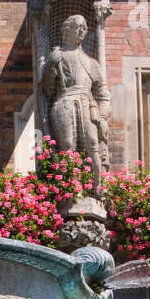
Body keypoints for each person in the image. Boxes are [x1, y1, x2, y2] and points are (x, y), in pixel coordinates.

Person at [40, 14, 111, 195]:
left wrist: (102, 117)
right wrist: (51, 65)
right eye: (77, 26)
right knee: (67, 144)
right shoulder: (57, 56)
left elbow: (103, 94)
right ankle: (72, 189)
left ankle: (98, 190)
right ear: (67, 29)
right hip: (64, 101)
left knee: (92, 144)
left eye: (84, 28)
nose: (81, 31)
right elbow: (48, 89)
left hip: (87, 104)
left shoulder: (91, 62)